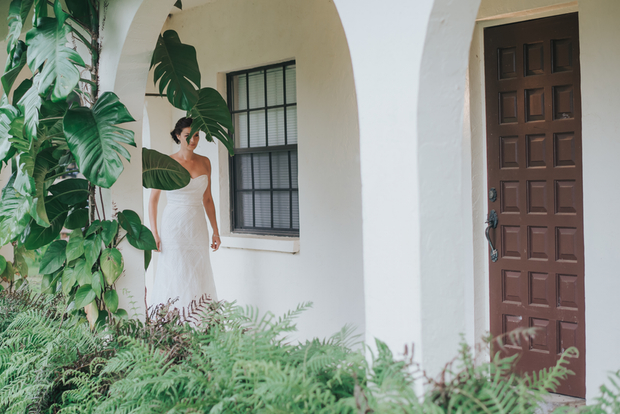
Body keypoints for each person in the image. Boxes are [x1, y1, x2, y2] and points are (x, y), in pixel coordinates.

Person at [148, 117, 221, 308]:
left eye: (196, 135)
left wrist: (215, 230)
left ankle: (199, 321)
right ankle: (171, 322)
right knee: (175, 270)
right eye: (188, 136)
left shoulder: (205, 162)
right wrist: (154, 232)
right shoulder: (167, 162)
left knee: (197, 270)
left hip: (197, 225)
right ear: (178, 136)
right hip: (173, 225)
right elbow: (153, 200)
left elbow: (207, 199)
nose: (193, 140)